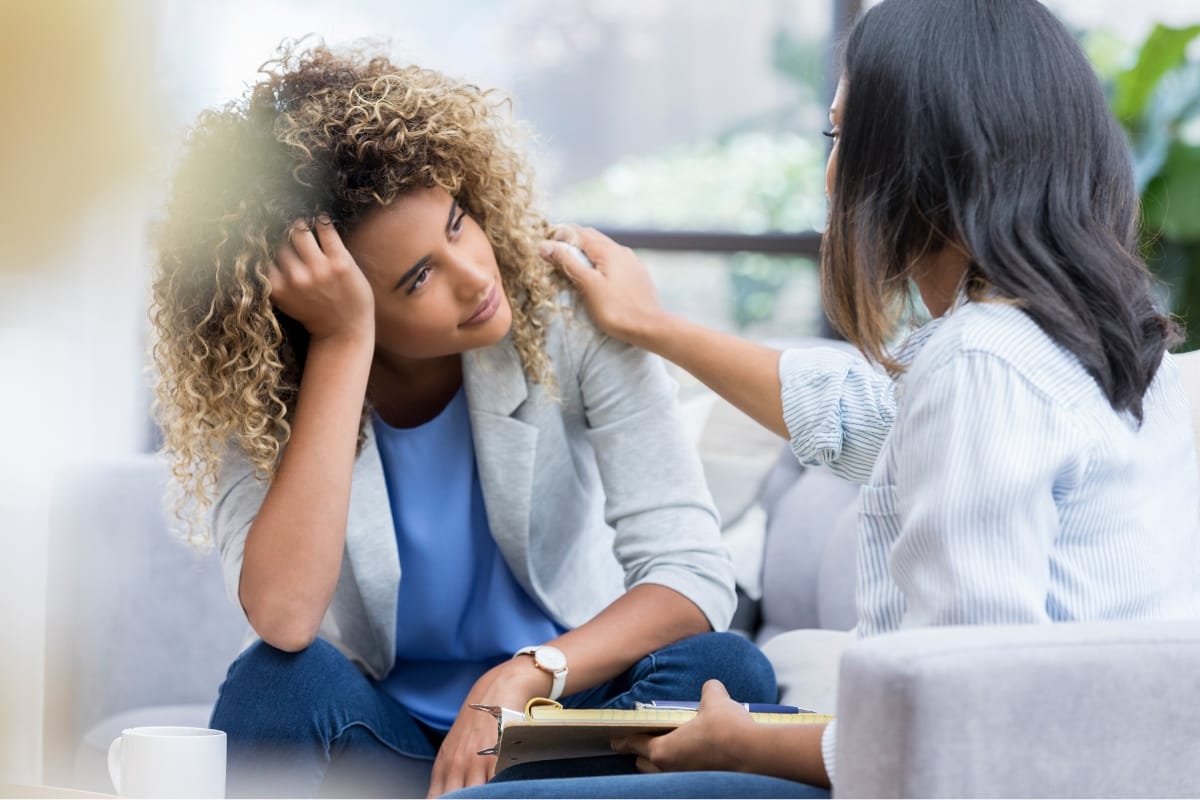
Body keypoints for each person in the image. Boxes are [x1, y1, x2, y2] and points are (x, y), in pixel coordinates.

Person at [451, 0, 1200, 796]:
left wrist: (747, 748)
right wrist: (652, 325)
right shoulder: (1105, 352)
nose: (832, 170)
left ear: (917, 159)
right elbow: (855, 417)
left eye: (841, 136)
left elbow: (963, 721)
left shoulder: (984, 364)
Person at [149, 41, 778, 799]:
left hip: (560, 727)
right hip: (387, 740)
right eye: (418, 278)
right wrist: (345, 344)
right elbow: (283, 619)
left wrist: (527, 672)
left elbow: (690, 572)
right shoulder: (257, 387)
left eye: (457, 223)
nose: (476, 275)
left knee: (727, 669)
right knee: (273, 682)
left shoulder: (568, 314)